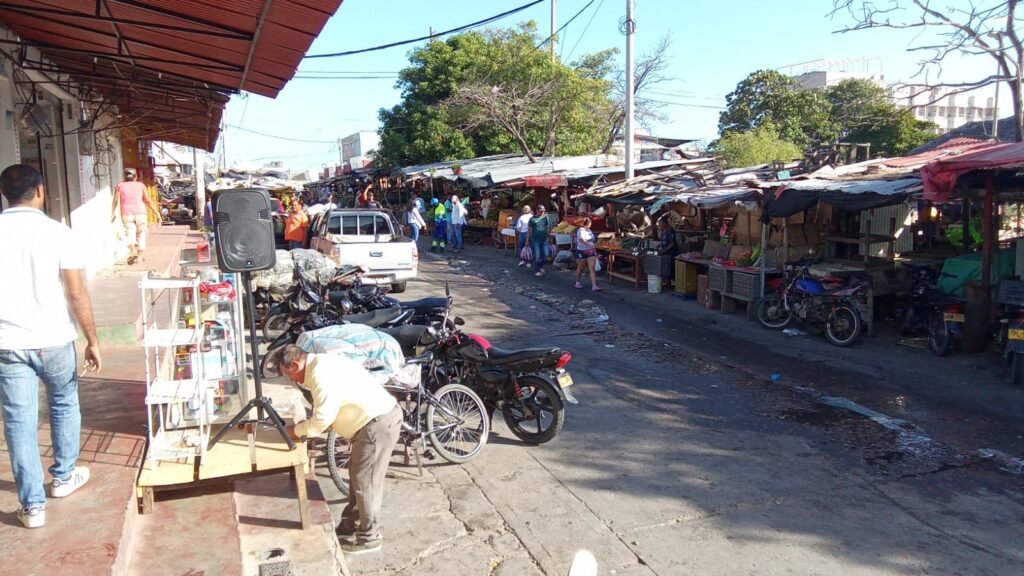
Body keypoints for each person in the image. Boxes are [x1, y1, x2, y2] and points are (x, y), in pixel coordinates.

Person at [0, 164, 102, 529]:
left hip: (8, 343)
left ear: (5, 194)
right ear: (40, 191)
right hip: (55, 338)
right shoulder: (58, 232)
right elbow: (76, 292)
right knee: (63, 404)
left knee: (19, 420)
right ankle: (62, 477)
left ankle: (32, 506)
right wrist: (92, 339)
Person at [278, 345, 401, 555]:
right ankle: (351, 525)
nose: (292, 380)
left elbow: (322, 419)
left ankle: (370, 537)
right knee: (358, 478)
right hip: (375, 424)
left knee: (365, 482)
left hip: (376, 425)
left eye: (290, 374)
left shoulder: (318, 373)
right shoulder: (323, 362)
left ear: (297, 364)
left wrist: (296, 431)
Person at [111, 167, 159, 265]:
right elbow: (148, 200)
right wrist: (157, 213)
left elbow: (115, 201)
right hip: (141, 213)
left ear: (124, 177)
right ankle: (140, 257)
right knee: (141, 234)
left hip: (126, 213)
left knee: (130, 233)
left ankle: (132, 249)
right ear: (135, 177)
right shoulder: (140, 185)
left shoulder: (119, 186)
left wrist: (112, 213)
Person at [574, 218, 601, 292]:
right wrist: (589, 245)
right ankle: (577, 281)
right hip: (581, 251)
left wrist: (594, 250)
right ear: (588, 223)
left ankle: (594, 285)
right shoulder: (580, 230)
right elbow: (582, 240)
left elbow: (592, 240)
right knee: (580, 268)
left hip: (591, 251)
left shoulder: (589, 231)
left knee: (592, 269)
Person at [529, 205, 551, 277]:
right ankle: (537, 269)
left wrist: (548, 237)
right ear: (537, 211)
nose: (542, 213)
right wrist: (527, 240)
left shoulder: (545, 218)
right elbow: (529, 230)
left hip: (544, 239)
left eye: (543, 211)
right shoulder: (532, 219)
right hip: (535, 240)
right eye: (541, 211)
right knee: (538, 255)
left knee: (545, 254)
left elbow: (547, 228)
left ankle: (541, 266)